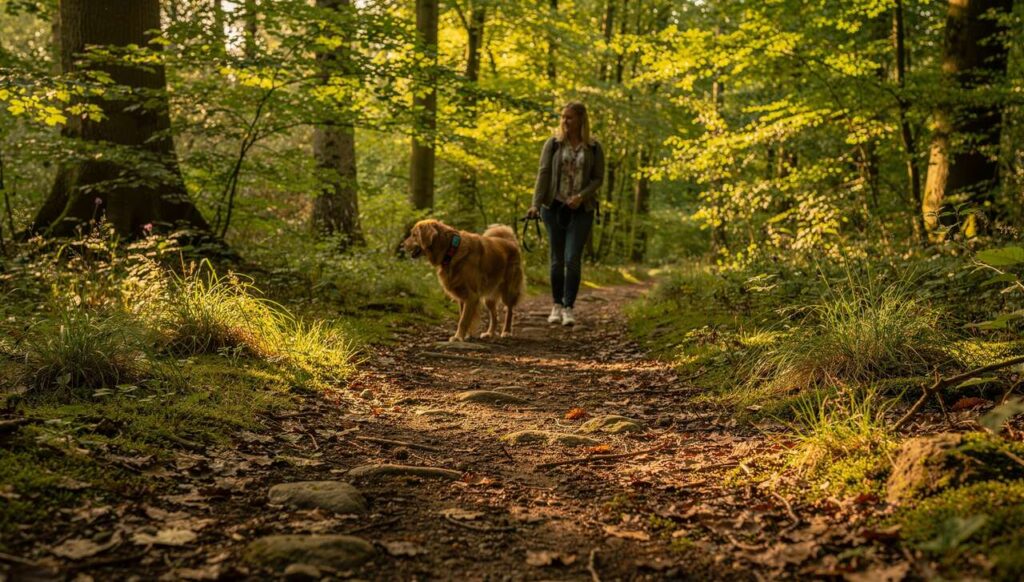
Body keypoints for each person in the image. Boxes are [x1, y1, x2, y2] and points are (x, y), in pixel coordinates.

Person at [527, 101, 604, 327]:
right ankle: (556, 305)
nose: (565, 121)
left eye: (569, 117)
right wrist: (535, 204)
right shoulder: (553, 144)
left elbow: (598, 178)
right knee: (556, 259)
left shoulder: (594, 147)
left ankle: (569, 307)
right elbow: (543, 174)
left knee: (572, 259)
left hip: (582, 210)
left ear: (581, 119)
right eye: (563, 117)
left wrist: (581, 196)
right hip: (553, 208)